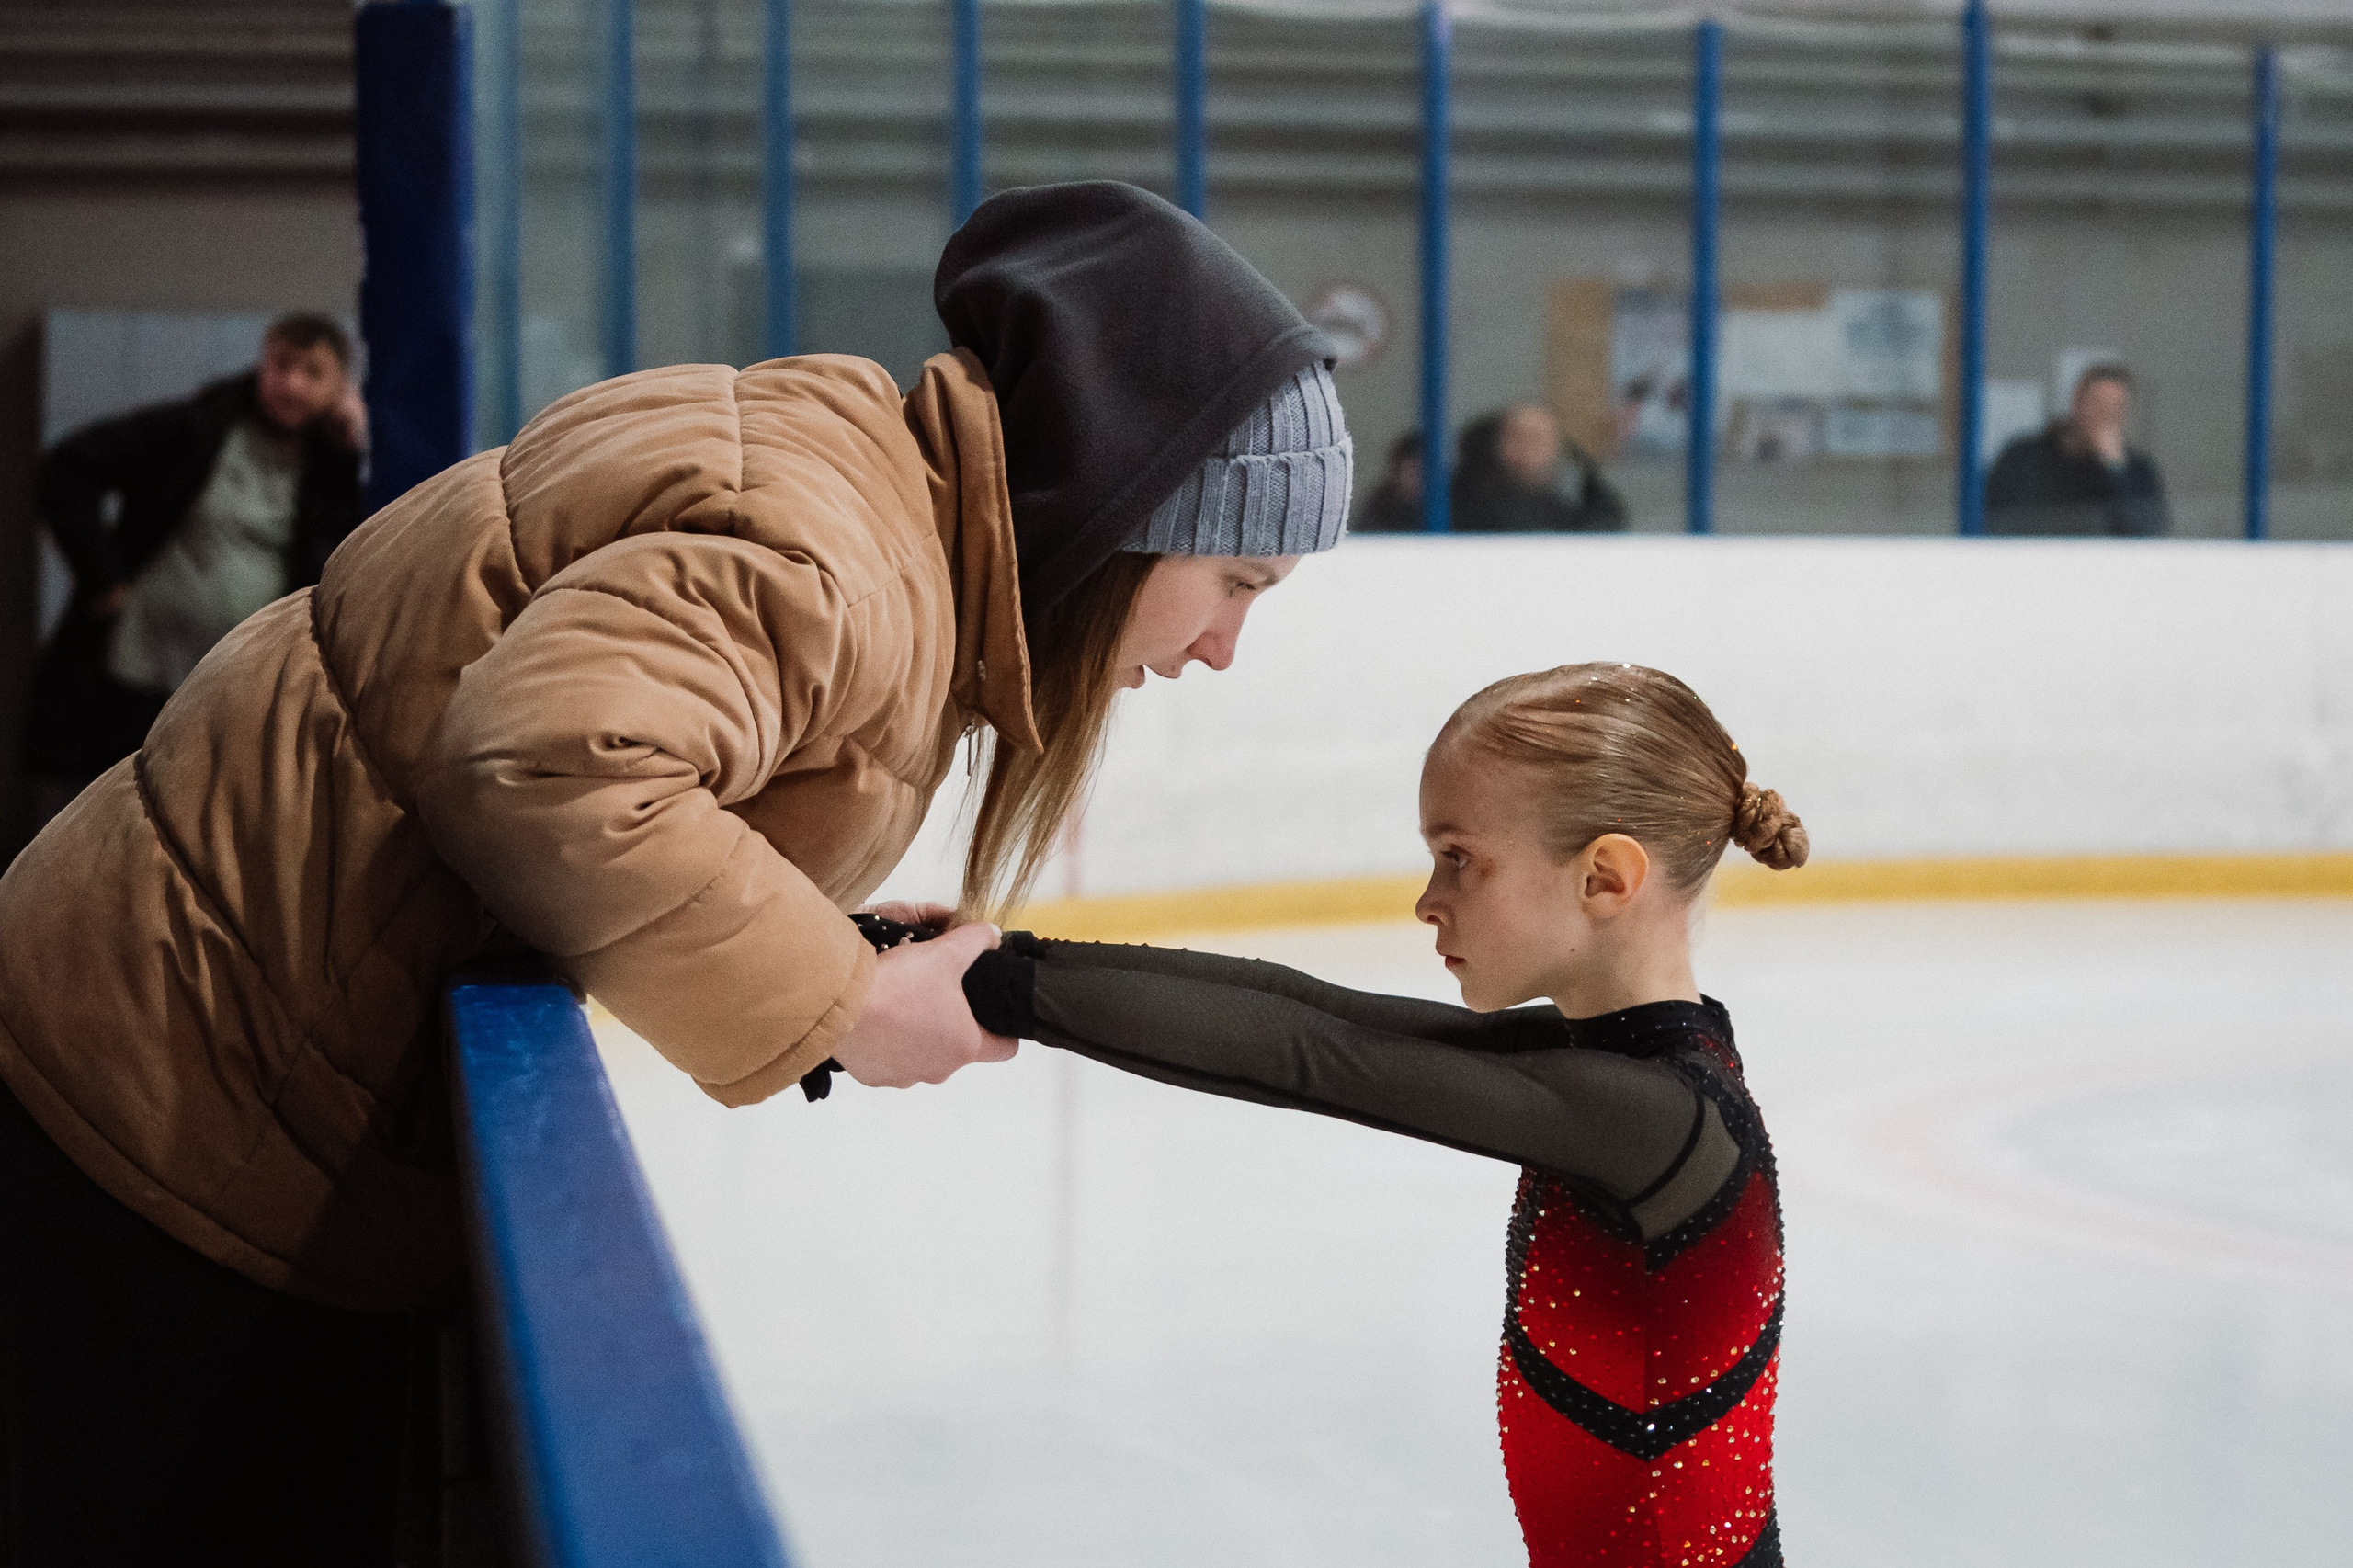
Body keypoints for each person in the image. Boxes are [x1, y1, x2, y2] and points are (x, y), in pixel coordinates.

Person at [0, 181, 1353, 1562]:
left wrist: (831, 926)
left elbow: (619, 736)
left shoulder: (862, 483)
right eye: (1237, 577)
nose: (1220, 648)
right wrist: (843, 1000)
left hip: (179, 1047)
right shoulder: (851, 561)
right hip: (169, 1107)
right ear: (1127, 495)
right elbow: (550, 760)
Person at [957, 662, 1802, 1568]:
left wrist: (995, 984)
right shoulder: (1625, 1072)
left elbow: (1314, 1056)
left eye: (1460, 857)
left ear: (1602, 876)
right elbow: (1319, 1011)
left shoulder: (1656, 1117)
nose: (1427, 899)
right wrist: (997, 958)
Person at [22, 312, 368, 819]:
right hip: (139, 669)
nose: (290, 383)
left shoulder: (330, 467)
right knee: (115, 820)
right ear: (261, 364)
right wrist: (102, 576)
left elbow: (349, 554)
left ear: (340, 387)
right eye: (280, 364)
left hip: (240, 686)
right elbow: (68, 467)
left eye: (312, 372)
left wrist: (350, 452)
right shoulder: (197, 427)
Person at [1985, 362, 2169, 536]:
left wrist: (2115, 469)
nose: (2103, 415)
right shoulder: (2024, 458)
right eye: (2097, 403)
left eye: (2114, 407)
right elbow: (1996, 518)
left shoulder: (2137, 471)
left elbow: (2147, 532)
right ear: (2077, 401)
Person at [1452, 403, 1628, 534]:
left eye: (1539, 439)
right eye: (1518, 437)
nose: (1528, 448)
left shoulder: (1559, 510)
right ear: (1497, 445)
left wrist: (1590, 476)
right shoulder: (1463, 501)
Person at [1354, 430, 1426, 532]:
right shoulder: (1381, 505)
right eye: (1407, 470)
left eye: (1419, 470)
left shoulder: (1444, 504)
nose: (1413, 477)